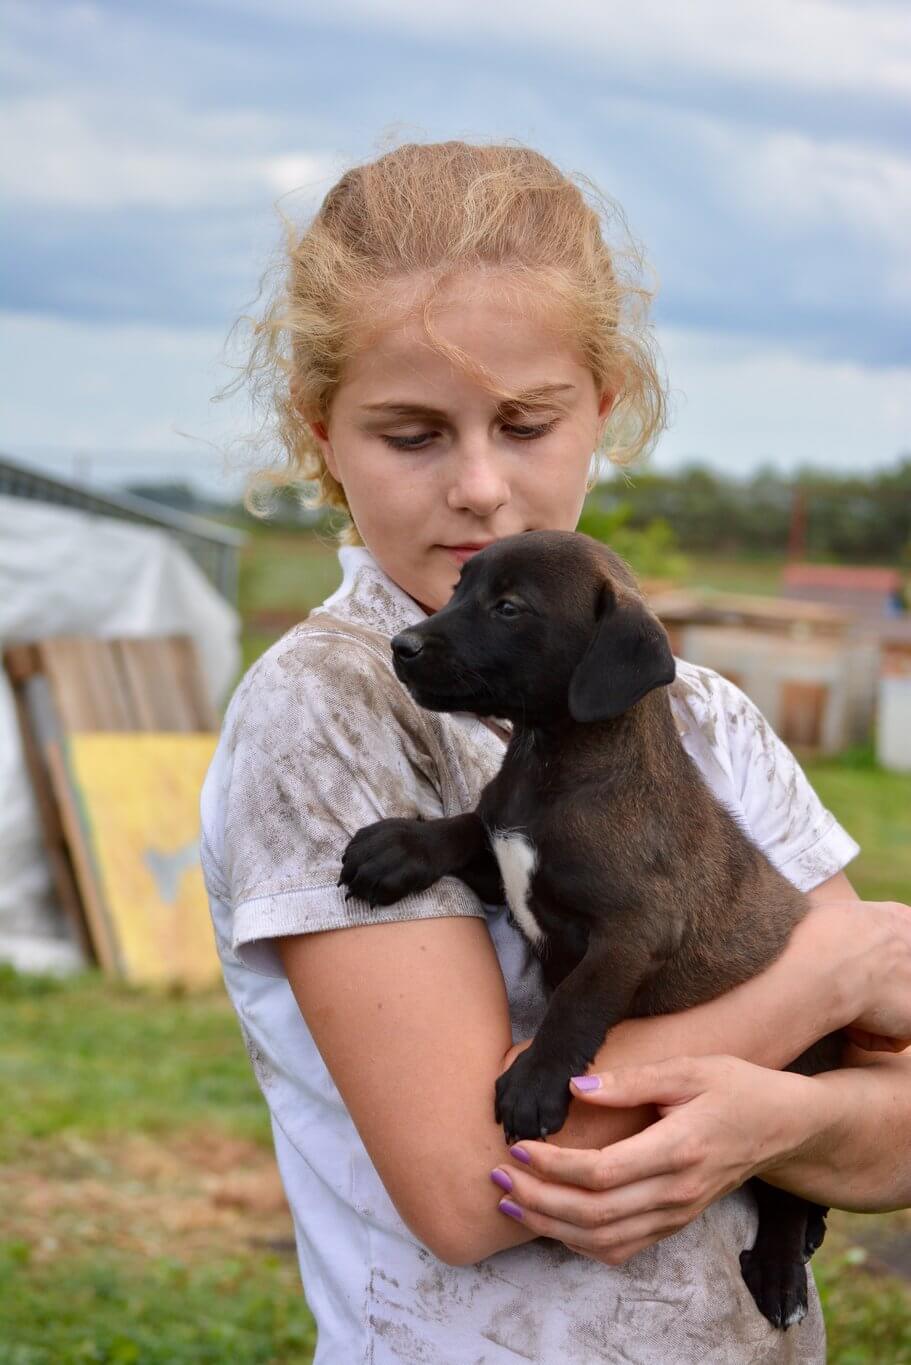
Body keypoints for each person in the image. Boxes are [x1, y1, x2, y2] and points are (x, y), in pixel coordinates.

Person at [201, 141, 911, 1364]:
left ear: (603, 407)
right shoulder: (329, 709)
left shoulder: (702, 717)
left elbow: (892, 1135)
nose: (480, 487)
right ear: (322, 435)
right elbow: (473, 1183)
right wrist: (825, 984)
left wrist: (773, 1121)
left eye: (526, 424)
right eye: (411, 435)